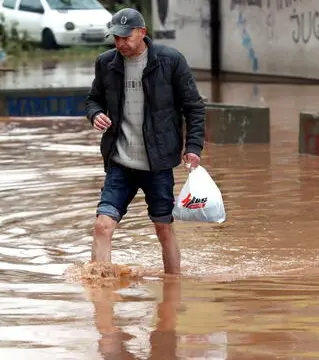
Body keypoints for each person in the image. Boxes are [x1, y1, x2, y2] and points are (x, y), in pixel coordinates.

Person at [84, 8, 206, 275]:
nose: (120, 43)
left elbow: (194, 107)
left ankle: (173, 290)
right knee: (102, 226)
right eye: (116, 38)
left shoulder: (170, 61)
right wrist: (96, 114)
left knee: (163, 228)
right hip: (120, 161)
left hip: (158, 164)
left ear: (142, 33)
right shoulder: (106, 63)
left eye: (126, 37)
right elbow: (93, 99)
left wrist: (193, 147)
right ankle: (100, 296)